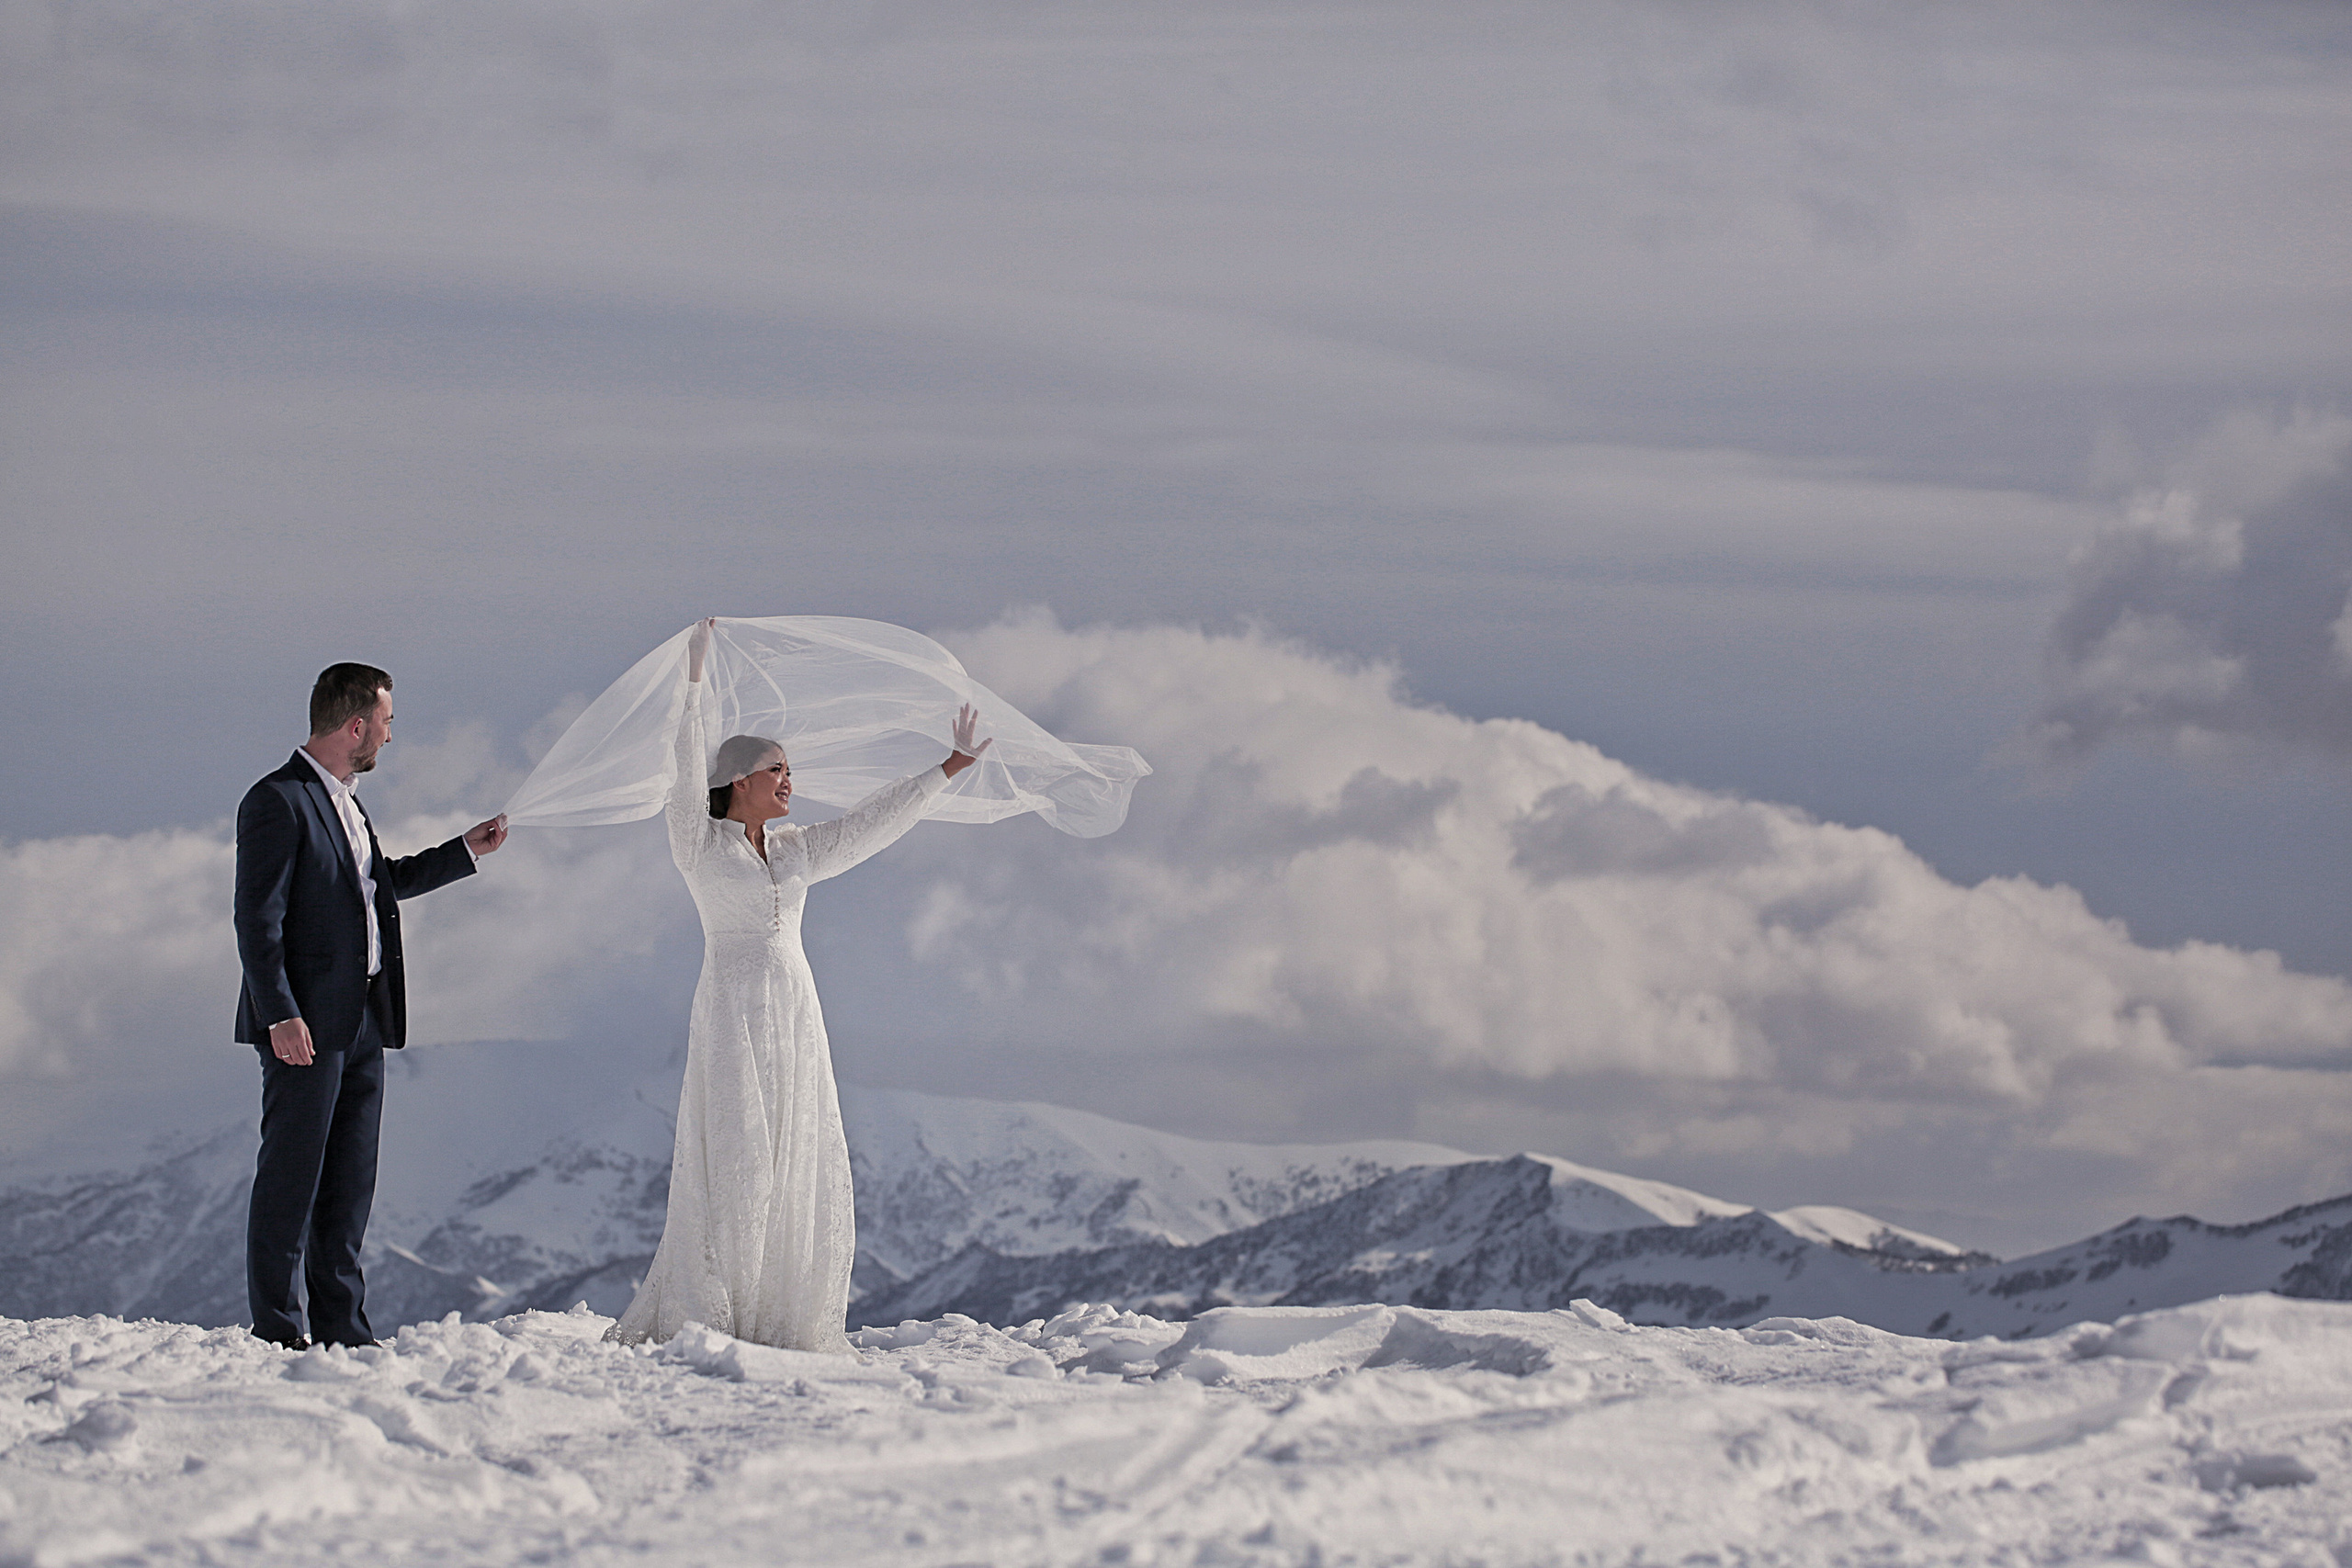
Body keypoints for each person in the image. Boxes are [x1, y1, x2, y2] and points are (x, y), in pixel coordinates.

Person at [608, 618, 990, 1350]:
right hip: (732, 1012)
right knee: (739, 1154)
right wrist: (693, 681)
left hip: (795, 1013)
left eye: (790, 771)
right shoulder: (697, 841)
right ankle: (718, 1308)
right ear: (739, 782)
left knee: (793, 1155)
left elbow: (871, 823)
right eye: (777, 770)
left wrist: (947, 769)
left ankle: (782, 1309)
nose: (790, 782)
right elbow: (683, 767)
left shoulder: (795, 850)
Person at [233, 661, 510, 1349]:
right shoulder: (278, 799)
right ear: (355, 724)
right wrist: (280, 1013)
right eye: (386, 722)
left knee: (350, 1184)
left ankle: (343, 1330)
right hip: (302, 1024)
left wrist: (464, 852)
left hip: (362, 1019)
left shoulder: (349, 803)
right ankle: (277, 1329)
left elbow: (378, 886)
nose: (390, 735)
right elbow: (255, 921)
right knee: (291, 1180)